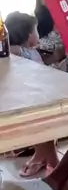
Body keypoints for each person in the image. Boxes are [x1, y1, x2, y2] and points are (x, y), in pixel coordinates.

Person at [4, 12, 59, 177]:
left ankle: (47, 156)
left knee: (43, 130)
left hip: (38, 95)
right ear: (29, 35)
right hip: (31, 98)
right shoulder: (19, 51)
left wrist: (57, 57)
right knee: (40, 128)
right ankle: (48, 158)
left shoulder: (32, 51)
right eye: (36, 30)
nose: (38, 34)